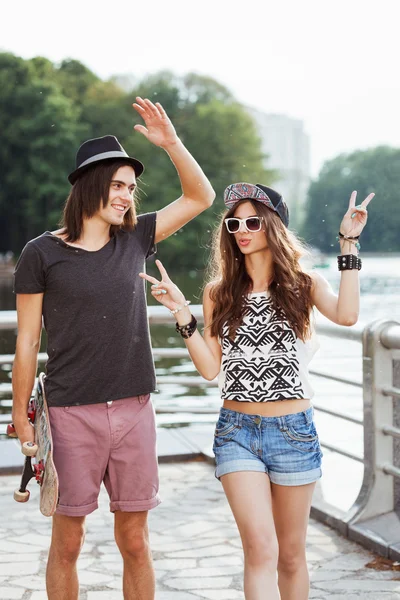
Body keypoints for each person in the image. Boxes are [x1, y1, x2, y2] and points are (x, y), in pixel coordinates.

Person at [12, 97, 215, 600]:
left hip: (134, 408)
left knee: (135, 541)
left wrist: (171, 143)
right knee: (67, 544)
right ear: (89, 186)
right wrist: (20, 416)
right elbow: (26, 341)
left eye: (130, 187)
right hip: (68, 414)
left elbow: (200, 197)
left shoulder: (137, 237)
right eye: (117, 185)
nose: (126, 196)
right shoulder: (41, 254)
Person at [140, 182, 374, 600]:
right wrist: (181, 312)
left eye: (251, 221)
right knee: (260, 549)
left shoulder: (304, 283)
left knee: (291, 555)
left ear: (272, 225)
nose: (241, 230)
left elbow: (349, 314)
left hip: (293, 432)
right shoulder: (219, 292)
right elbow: (211, 368)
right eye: (234, 223)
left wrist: (349, 242)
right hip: (237, 433)